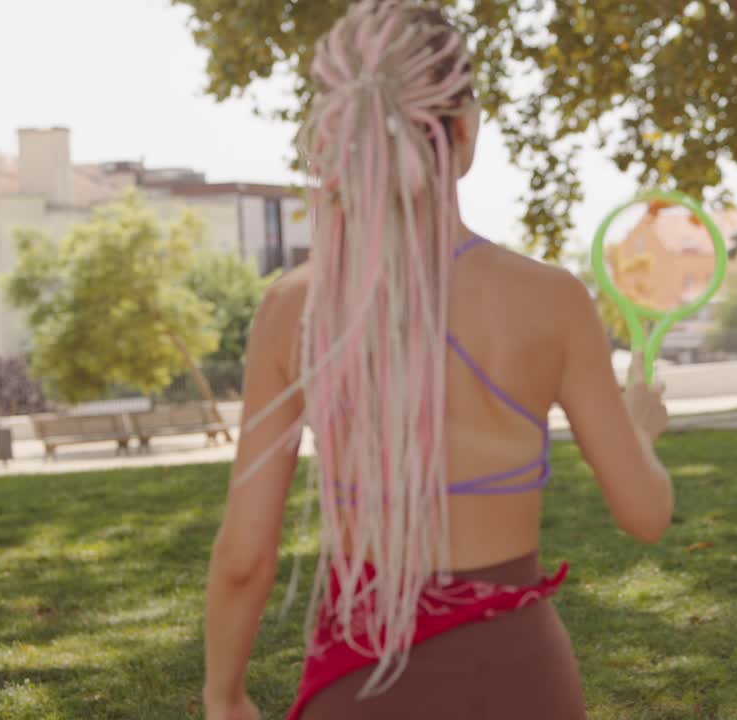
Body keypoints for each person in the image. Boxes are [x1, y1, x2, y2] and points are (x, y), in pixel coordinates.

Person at [199, 3, 674, 719]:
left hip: (358, 685)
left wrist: (224, 695)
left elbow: (242, 559)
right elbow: (646, 514)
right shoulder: (552, 300)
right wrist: (640, 431)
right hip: (522, 680)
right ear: (464, 130)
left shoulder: (294, 309)